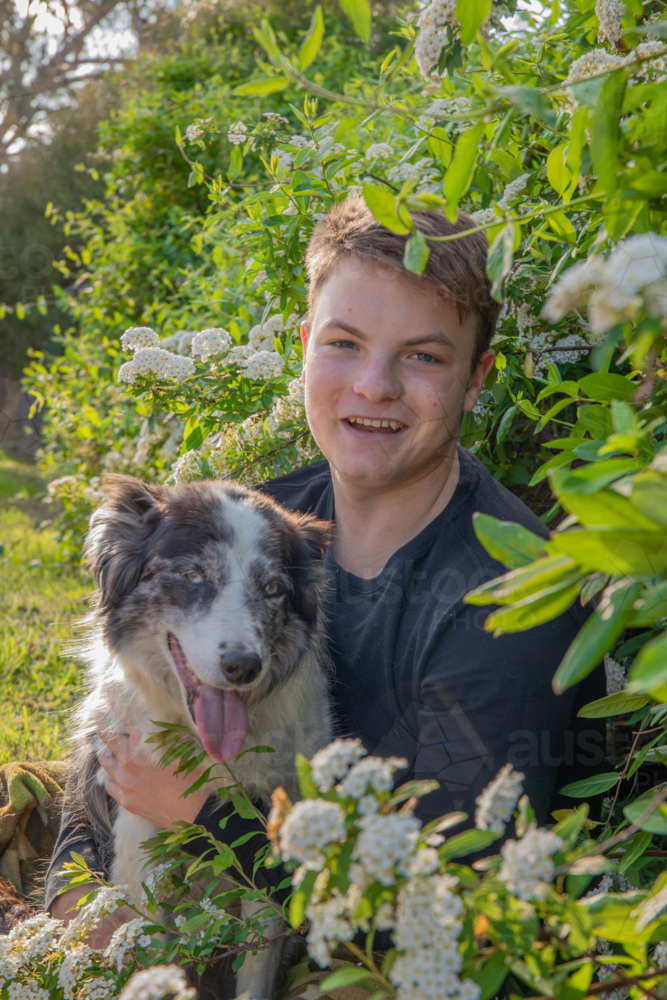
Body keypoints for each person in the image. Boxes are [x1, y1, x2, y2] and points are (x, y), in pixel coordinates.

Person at [47, 196, 605, 943]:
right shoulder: (267, 522)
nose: (374, 385)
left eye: (424, 356)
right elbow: (107, 763)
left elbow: (463, 916)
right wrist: (75, 912)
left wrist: (206, 820)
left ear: (476, 379)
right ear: (305, 343)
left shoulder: (507, 602)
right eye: (345, 343)